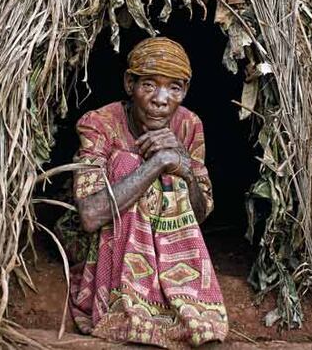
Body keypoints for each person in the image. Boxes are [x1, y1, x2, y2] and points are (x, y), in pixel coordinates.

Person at [69, 37, 228, 347]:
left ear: (185, 91)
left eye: (174, 88)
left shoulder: (189, 125)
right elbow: (89, 216)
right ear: (130, 83)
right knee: (126, 162)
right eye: (149, 85)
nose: (161, 99)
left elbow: (197, 215)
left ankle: (184, 301)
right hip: (99, 243)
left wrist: (181, 166)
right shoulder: (99, 124)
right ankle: (126, 303)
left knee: (176, 172)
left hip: (169, 249)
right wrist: (157, 164)